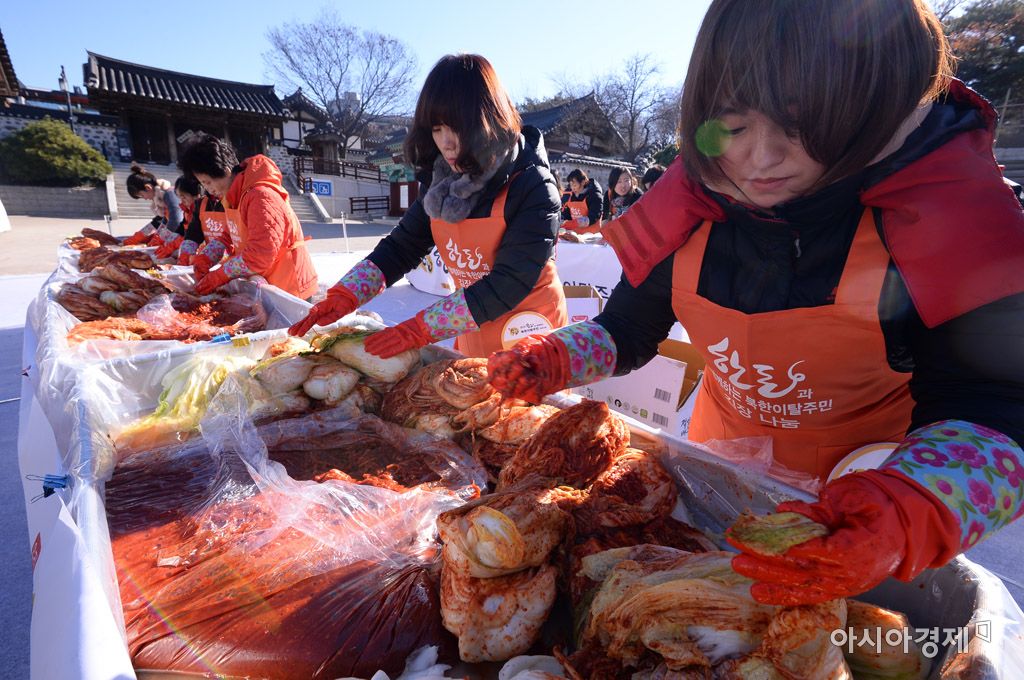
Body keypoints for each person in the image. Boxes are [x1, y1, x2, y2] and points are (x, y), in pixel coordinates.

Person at [487, 0, 1024, 607]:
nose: (760, 160)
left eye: (803, 126)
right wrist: (557, 357)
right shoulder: (689, 207)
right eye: (734, 126)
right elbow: (627, 329)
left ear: (878, 114)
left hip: (864, 497)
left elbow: (999, 408)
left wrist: (908, 508)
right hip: (718, 463)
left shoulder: (949, 219)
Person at [288, 54, 567, 358]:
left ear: (489, 121)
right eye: (436, 129)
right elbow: (402, 247)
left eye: (456, 127)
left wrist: (418, 329)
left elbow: (508, 282)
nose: (445, 142)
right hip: (471, 324)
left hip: (530, 332)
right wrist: (347, 293)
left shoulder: (532, 186)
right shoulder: (442, 183)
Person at [177, 134, 318, 300]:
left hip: (289, 287)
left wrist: (221, 275)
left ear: (225, 170)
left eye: (207, 182)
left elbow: (260, 254)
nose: (208, 190)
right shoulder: (234, 195)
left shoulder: (261, 196)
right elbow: (230, 233)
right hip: (265, 283)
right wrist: (207, 257)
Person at [122, 164, 184, 246]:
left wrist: (162, 239)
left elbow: (176, 220)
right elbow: (163, 221)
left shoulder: (169, 194)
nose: (144, 198)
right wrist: (156, 237)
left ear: (148, 188)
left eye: (142, 195)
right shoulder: (161, 200)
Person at [179, 181, 232, 271]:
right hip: (208, 260)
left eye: (210, 181)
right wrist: (186, 254)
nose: (209, 187)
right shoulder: (201, 203)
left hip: (231, 262)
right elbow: (193, 233)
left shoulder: (232, 201)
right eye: (204, 182)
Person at [154, 175, 206, 261]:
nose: (182, 201)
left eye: (184, 197)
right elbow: (181, 230)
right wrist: (168, 244)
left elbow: (195, 235)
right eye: (179, 197)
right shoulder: (187, 210)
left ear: (197, 195)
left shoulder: (201, 210)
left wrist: (174, 245)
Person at [560, 168, 603, 233]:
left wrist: (575, 223)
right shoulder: (569, 194)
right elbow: (566, 213)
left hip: (592, 235)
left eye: (574, 185)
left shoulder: (594, 195)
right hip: (575, 233)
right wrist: (563, 222)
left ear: (583, 182)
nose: (572, 188)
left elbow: (594, 217)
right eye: (571, 185)